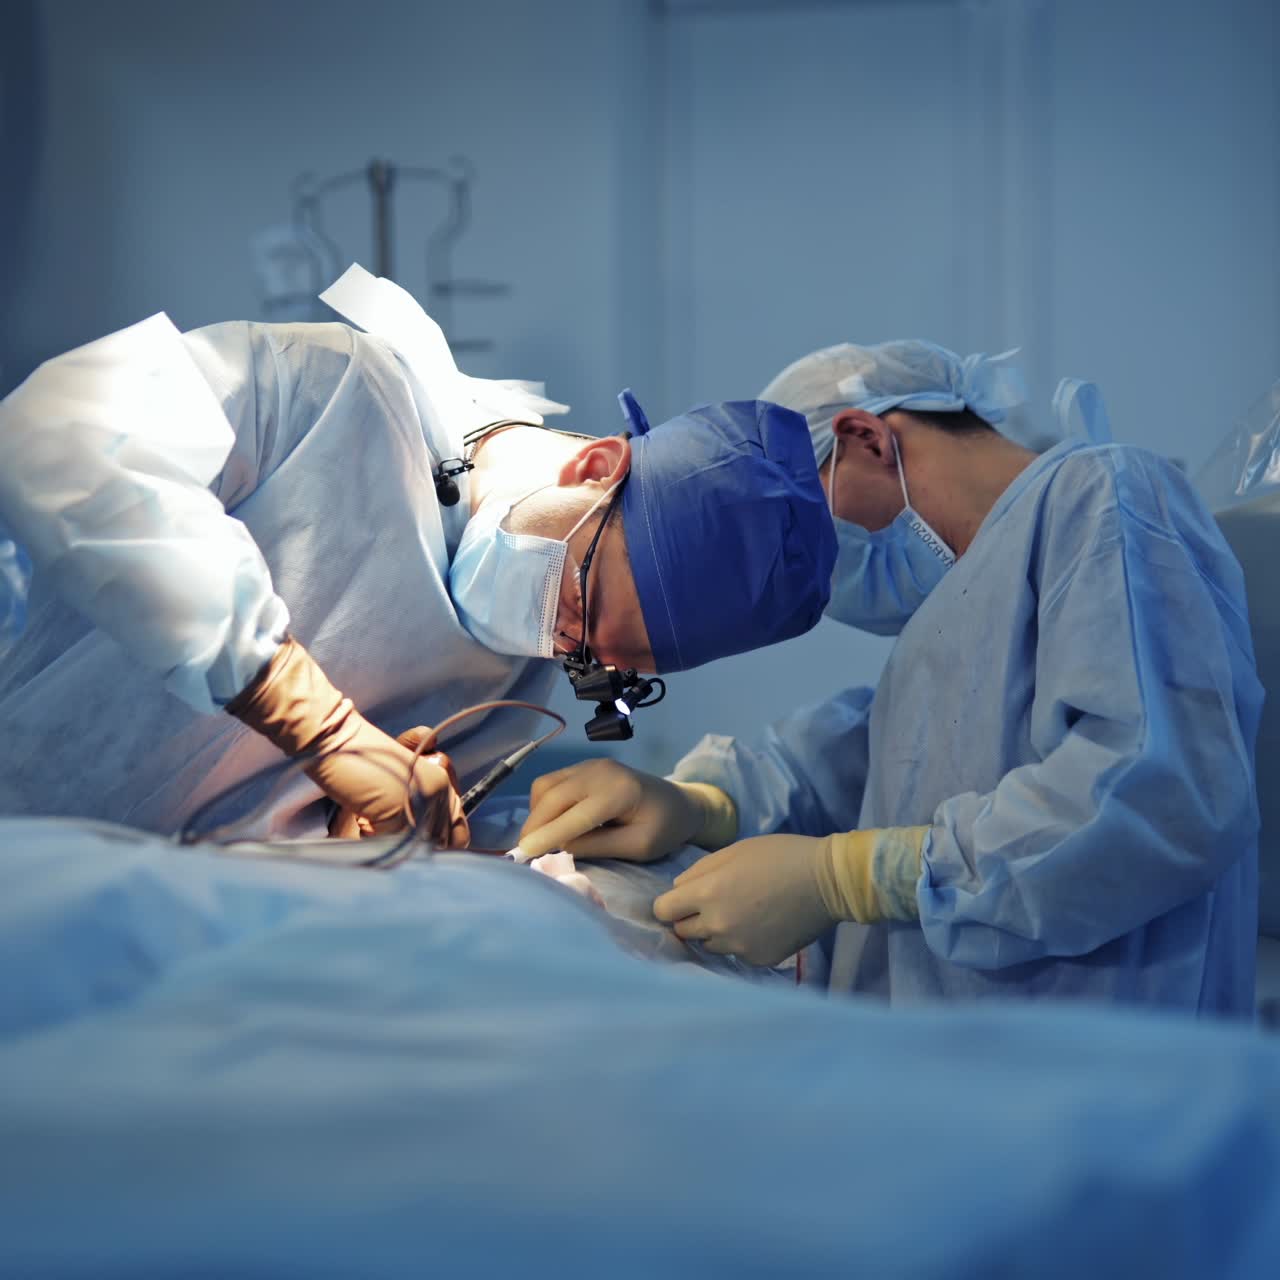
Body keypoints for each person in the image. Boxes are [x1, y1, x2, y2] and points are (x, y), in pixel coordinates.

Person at [517, 340, 1264, 1015]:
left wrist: (847, 876)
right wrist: (702, 804)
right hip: (973, 1082)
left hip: (1109, 1090)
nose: (819, 580)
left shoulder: (1104, 497)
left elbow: (1154, 788)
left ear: (866, 438)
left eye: (807, 539)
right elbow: (863, 770)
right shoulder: (959, 615)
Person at [0, 266, 834, 845]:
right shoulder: (329, 395)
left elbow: (259, 839)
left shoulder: (514, 678)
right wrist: (314, 723)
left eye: (594, 661)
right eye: (581, 603)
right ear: (595, 467)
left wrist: (357, 837)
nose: (557, 646)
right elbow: (61, 440)